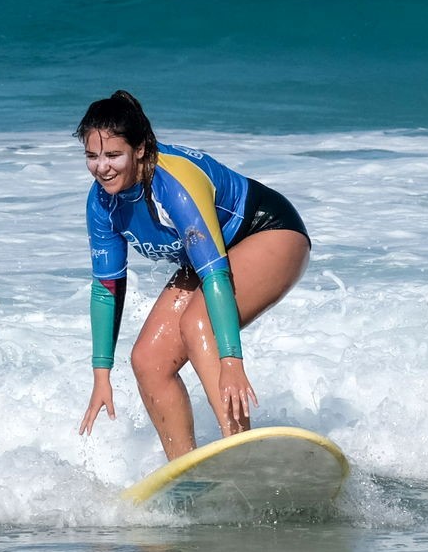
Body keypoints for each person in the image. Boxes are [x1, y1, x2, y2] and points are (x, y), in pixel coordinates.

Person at [73, 90, 311, 461]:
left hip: (270, 232)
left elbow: (215, 273)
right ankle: (187, 470)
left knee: (198, 321)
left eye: (113, 155)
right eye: (92, 156)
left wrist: (231, 361)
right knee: (149, 360)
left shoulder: (174, 185)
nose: (102, 167)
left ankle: (242, 453)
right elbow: (107, 288)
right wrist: (101, 373)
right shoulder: (103, 202)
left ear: (140, 149)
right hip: (210, 259)